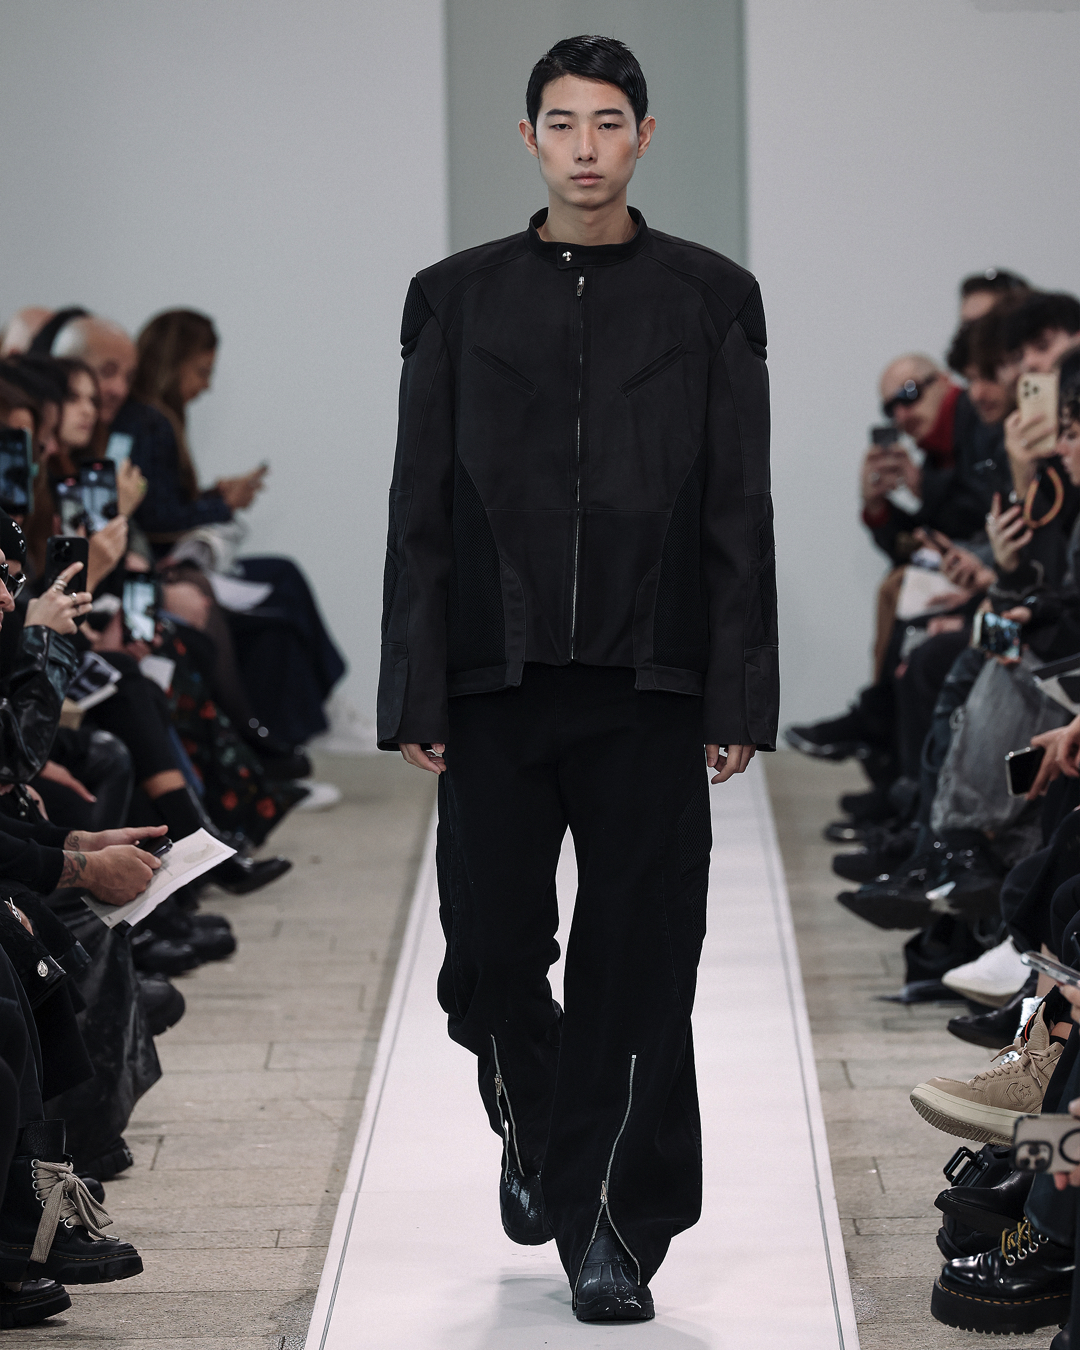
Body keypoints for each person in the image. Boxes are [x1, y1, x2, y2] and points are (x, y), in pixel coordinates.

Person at [377, 34, 777, 1323]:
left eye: (610, 123)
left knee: (640, 958)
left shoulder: (713, 299)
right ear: (530, 138)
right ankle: (536, 1121)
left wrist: (737, 692)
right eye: (564, 123)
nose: (587, 147)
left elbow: (739, 506)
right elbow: (418, 505)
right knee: (492, 954)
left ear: (644, 137)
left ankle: (609, 1222)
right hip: (491, 679)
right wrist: (414, 684)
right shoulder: (455, 300)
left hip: (648, 683)